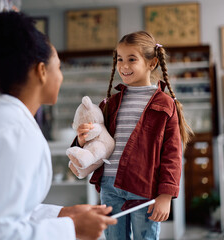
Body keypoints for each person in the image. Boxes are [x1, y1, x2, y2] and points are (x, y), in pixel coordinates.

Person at [0, 11, 116, 240]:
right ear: (41, 71)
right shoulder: (17, 134)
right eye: (58, 67)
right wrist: (73, 229)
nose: (61, 76)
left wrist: (64, 214)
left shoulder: (0, 120)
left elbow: (6, 207)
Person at [74, 31, 193, 239]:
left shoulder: (166, 105)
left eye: (131, 59)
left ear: (152, 63)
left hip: (144, 188)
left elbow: (172, 155)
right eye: (119, 59)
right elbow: (97, 141)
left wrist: (165, 195)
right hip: (110, 186)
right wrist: (82, 140)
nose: (124, 66)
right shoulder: (110, 103)